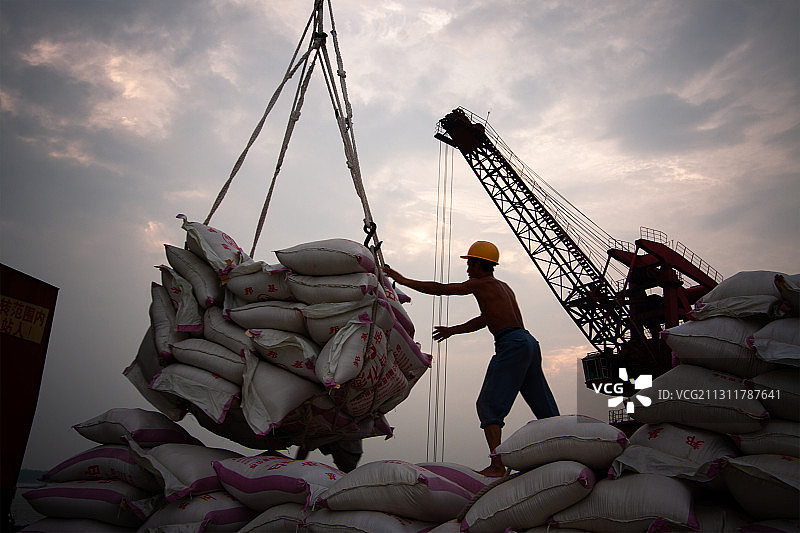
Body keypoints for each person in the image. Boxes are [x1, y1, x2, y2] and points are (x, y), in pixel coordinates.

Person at [382, 240, 559, 477]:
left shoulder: (480, 283)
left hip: (512, 345)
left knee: (487, 405)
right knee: (543, 405)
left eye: (470, 263)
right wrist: (452, 330)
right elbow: (486, 319)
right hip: (528, 343)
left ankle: (497, 465)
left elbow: (441, 289)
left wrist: (402, 280)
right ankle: (564, 449)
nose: (467, 269)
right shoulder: (502, 287)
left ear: (479, 264)